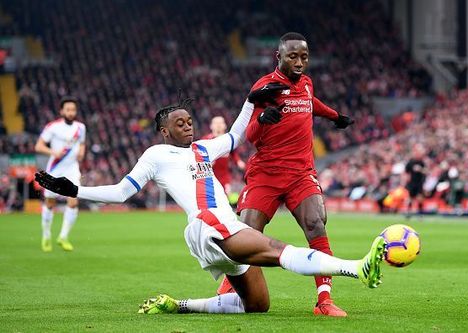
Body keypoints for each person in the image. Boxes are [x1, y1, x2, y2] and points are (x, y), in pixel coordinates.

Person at [35, 96, 385, 315]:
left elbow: (234, 135)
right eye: (179, 124)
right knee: (276, 249)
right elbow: (122, 191)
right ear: (164, 132)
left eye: (189, 121)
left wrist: (252, 102)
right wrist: (75, 189)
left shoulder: (203, 148)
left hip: (218, 228)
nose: (187, 127)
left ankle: (180, 306)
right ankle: (357, 268)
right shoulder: (157, 155)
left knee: (258, 306)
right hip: (208, 224)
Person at [218, 32, 354, 317]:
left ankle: (324, 301)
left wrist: (334, 116)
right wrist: (263, 120)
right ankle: (227, 292)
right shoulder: (265, 87)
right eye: (293, 56)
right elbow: (249, 133)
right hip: (266, 174)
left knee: (316, 224)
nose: (300, 62)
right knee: (246, 233)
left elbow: (311, 102)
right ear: (278, 57)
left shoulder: (305, 83)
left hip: (300, 173)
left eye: (304, 56)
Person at [34, 96, 86, 252]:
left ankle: (63, 237)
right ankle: (46, 236)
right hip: (55, 169)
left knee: (73, 201)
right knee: (50, 203)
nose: (71, 112)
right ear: (62, 111)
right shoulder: (53, 127)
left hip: (72, 169)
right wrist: (52, 152)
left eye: (73, 110)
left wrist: (81, 153)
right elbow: (38, 146)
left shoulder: (80, 127)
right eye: (68, 109)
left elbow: (82, 144)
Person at [202, 116, 245, 195]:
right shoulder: (205, 140)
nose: (218, 125)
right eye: (216, 123)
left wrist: (238, 161)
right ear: (211, 126)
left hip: (224, 177)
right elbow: (199, 156)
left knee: (225, 195)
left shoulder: (229, 140)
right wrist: (206, 162)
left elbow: (234, 153)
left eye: (221, 123)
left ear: (225, 125)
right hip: (209, 176)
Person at [404, 144, 426, 218]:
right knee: (410, 198)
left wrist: (421, 170)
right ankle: (408, 213)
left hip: (419, 183)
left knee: (420, 199)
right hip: (412, 183)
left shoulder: (421, 163)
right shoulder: (410, 163)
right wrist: (406, 181)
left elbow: (426, 171)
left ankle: (420, 214)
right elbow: (406, 173)